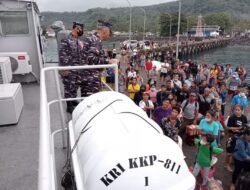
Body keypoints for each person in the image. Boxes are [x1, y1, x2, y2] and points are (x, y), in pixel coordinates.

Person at [80, 20, 112, 97]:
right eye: (109, 33)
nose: (109, 35)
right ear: (105, 31)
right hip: (91, 79)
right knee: (91, 102)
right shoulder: (96, 41)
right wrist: (108, 61)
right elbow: (91, 59)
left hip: (86, 77)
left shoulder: (92, 38)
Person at [59, 21, 84, 113]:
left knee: (75, 86)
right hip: (70, 69)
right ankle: (69, 106)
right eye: (81, 29)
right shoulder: (67, 40)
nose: (82, 31)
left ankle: (73, 100)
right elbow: (63, 55)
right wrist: (65, 68)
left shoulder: (78, 41)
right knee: (69, 87)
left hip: (78, 69)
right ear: (77, 28)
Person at [225, 104, 248, 172]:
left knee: (236, 151)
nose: (237, 111)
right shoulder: (232, 117)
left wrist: (243, 129)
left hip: (241, 137)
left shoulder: (244, 117)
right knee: (229, 153)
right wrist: (237, 128)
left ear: (242, 110)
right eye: (236, 110)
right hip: (232, 137)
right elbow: (228, 127)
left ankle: (231, 162)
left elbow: (245, 126)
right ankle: (227, 165)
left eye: (239, 110)